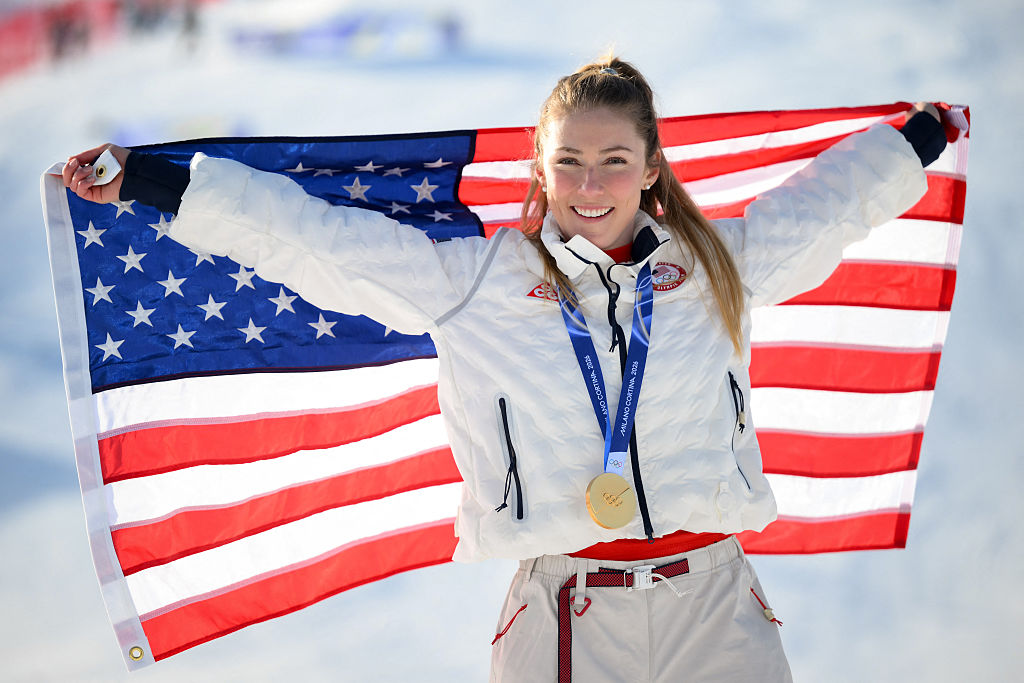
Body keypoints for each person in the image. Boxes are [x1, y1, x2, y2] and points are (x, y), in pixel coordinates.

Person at [62, 57, 947, 682]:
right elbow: (315, 242)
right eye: (568, 160)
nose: (589, 184)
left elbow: (828, 208)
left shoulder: (718, 266)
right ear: (541, 166)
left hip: (718, 613)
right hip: (565, 617)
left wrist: (920, 138)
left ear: (650, 169)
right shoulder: (476, 282)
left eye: (613, 161)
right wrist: (153, 184)